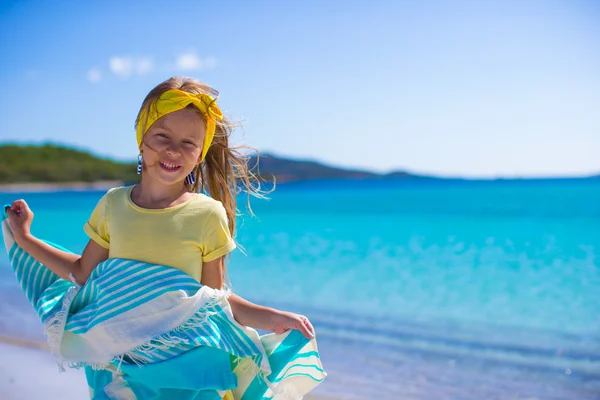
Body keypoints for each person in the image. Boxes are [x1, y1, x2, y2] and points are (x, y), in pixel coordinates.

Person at [6, 76, 316, 384]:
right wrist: (25, 238)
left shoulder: (208, 214)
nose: (173, 150)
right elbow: (83, 273)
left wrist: (274, 318)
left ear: (200, 154)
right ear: (141, 138)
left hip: (187, 372)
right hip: (123, 372)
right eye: (162, 136)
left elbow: (215, 303)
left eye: (188, 143)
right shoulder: (114, 204)